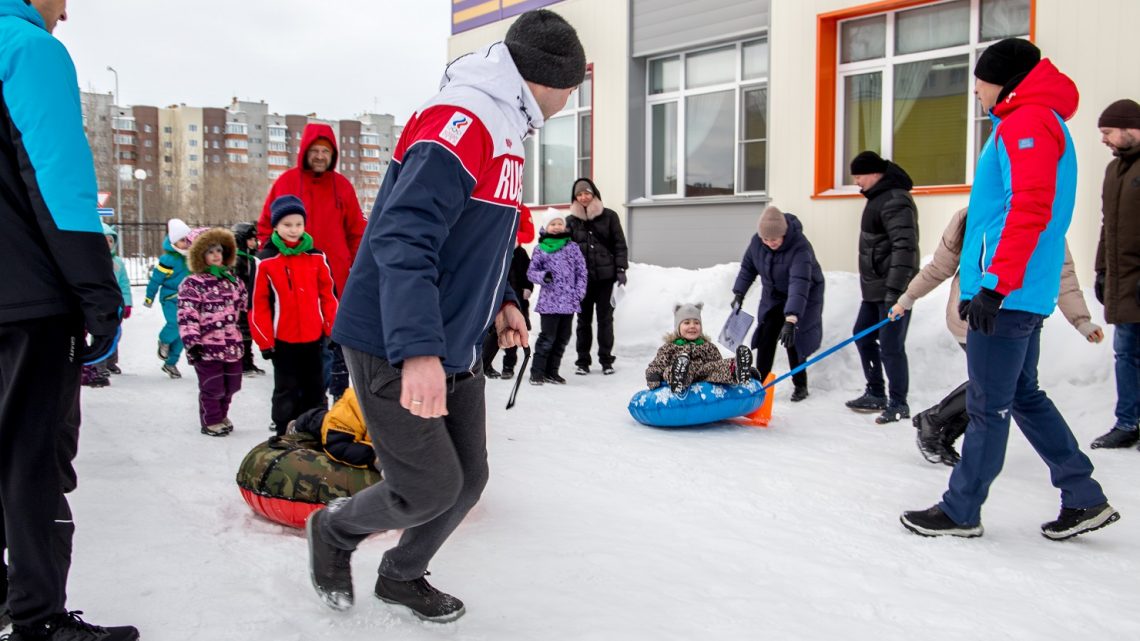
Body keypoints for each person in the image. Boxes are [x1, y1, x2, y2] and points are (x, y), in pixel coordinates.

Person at [312, 9, 583, 623]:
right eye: (574, 84)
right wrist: (417, 350)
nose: (573, 96)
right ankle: (333, 530)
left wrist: (506, 301)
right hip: (395, 337)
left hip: (452, 337)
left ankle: (400, 576)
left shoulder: (505, 125)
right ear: (550, 78)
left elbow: (481, 242)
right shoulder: (465, 118)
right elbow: (405, 236)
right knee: (427, 485)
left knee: (467, 478)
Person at [901, 38, 1119, 541]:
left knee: (988, 405)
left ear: (1002, 80)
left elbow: (1029, 209)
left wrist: (994, 286)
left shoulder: (1027, 123)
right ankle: (1083, 496)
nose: (974, 90)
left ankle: (961, 509)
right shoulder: (1028, 122)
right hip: (1018, 290)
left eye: (978, 80)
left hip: (1007, 293)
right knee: (1022, 395)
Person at [0, 0, 138, 638]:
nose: (66, 11)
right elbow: (57, 177)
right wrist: (97, 292)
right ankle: (36, 619)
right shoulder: (26, 47)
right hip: (25, 299)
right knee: (33, 459)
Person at [890, 208, 1103, 465]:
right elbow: (940, 266)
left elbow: (1062, 272)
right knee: (998, 383)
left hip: (1021, 321)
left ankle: (938, 425)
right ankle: (935, 422)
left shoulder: (1045, 218)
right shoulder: (972, 216)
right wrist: (907, 299)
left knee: (999, 384)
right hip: (972, 318)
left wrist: (1081, 320)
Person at [257, 122, 366, 400]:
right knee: (295, 348)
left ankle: (335, 402)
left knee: (335, 345)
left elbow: (356, 232)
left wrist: (358, 268)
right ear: (305, 151)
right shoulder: (286, 182)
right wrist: (271, 258)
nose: (319, 155)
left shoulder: (342, 186)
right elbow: (266, 227)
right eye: (314, 150)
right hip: (292, 284)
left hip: (335, 281)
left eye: (325, 151)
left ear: (333, 155)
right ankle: (291, 403)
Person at [250, 195, 339, 436]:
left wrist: (331, 330)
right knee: (286, 390)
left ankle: (317, 431)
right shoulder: (266, 261)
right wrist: (265, 341)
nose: (293, 230)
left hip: (313, 338)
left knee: (316, 388)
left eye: (298, 224)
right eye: (287, 225)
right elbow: (258, 305)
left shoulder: (317, 257)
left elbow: (328, 296)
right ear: (276, 226)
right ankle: (283, 432)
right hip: (283, 341)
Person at [845, 151, 919, 424]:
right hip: (875, 289)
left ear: (876, 173)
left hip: (893, 290)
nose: (856, 181)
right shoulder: (879, 197)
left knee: (891, 346)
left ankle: (899, 402)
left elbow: (905, 248)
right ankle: (876, 392)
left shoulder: (895, 199)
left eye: (859, 175)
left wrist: (896, 292)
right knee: (862, 335)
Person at [732, 206, 824, 402]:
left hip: (804, 293)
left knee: (793, 339)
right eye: (765, 239)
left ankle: (800, 385)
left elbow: (799, 283)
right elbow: (748, 267)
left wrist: (791, 319)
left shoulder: (799, 247)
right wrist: (740, 292)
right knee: (767, 335)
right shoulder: (758, 242)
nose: (769, 243)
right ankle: (759, 384)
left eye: (774, 239)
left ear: (783, 234)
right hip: (774, 295)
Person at [1089, 99, 1140, 450]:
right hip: (1125, 283)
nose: (1104, 140)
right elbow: (1108, 225)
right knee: (1126, 354)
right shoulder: (1114, 171)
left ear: (1128, 128)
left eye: (1108, 132)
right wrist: (1102, 270)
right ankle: (1128, 422)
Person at [177, 228, 247, 437]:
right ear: (200, 255)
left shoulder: (232, 280)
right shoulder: (192, 284)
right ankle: (211, 420)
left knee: (232, 385)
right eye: (210, 251)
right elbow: (187, 315)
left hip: (232, 344)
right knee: (213, 387)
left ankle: (222, 414)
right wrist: (193, 342)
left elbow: (243, 305)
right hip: (206, 347)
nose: (216, 255)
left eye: (219, 250)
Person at [567, 177, 628, 376]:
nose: (584, 197)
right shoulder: (570, 221)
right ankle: (582, 361)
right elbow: (565, 250)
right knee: (583, 321)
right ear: (575, 197)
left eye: (587, 193)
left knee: (605, 320)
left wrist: (621, 269)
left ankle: (606, 360)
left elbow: (619, 244)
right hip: (581, 280)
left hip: (605, 278)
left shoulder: (609, 216)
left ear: (594, 194)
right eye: (579, 194)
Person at [527, 209, 587, 385]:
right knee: (547, 337)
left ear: (564, 226)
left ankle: (552, 372)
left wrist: (579, 293)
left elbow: (582, 272)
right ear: (546, 227)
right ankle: (537, 372)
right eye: (552, 224)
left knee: (563, 338)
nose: (556, 227)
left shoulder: (573, 247)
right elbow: (531, 272)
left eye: (559, 223)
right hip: (549, 302)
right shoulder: (540, 249)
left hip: (568, 302)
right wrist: (542, 276)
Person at [645, 303, 754, 394]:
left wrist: (732, 366)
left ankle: (737, 368)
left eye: (696, 323)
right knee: (670, 370)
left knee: (715, 367)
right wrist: (653, 375)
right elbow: (657, 365)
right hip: (683, 372)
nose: (692, 326)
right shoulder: (669, 347)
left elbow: (718, 364)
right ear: (677, 327)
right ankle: (678, 378)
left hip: (703, 374)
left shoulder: (708, 346)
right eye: (686, 323)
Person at [483, 205, 534, 379]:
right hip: (494, 255)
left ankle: (508, 366)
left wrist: (528, 287)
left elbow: (529, 233)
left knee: (511, 330)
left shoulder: (520, 254)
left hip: (515, 298)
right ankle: (485, 363)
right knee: (489, 331)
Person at [144, 217, 192, 379]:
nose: (185, 243)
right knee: (174, 323)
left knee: (183, 333)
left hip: (188, 300)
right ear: (173, 242)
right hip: (170, 298)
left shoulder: (192, 258)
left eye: (187, 239)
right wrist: (149, 297)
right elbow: (156, 279)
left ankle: (171, 363)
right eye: (181, 240)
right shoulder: (167, 260)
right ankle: (163, 341)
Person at [292, 388, 377, 469]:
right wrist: (374, 457)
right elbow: (336, 444)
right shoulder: (358, 402)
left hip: (334, 426)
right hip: (313, 427)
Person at [232, 221, 265, 377]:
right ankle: (244, 364)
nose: (254, 242)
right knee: (243, 333)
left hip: (250, 301)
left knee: (248, 333)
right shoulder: (237, 259)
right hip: (240, 304)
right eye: (250, 239)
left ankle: (248, 362)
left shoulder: (251, 257)